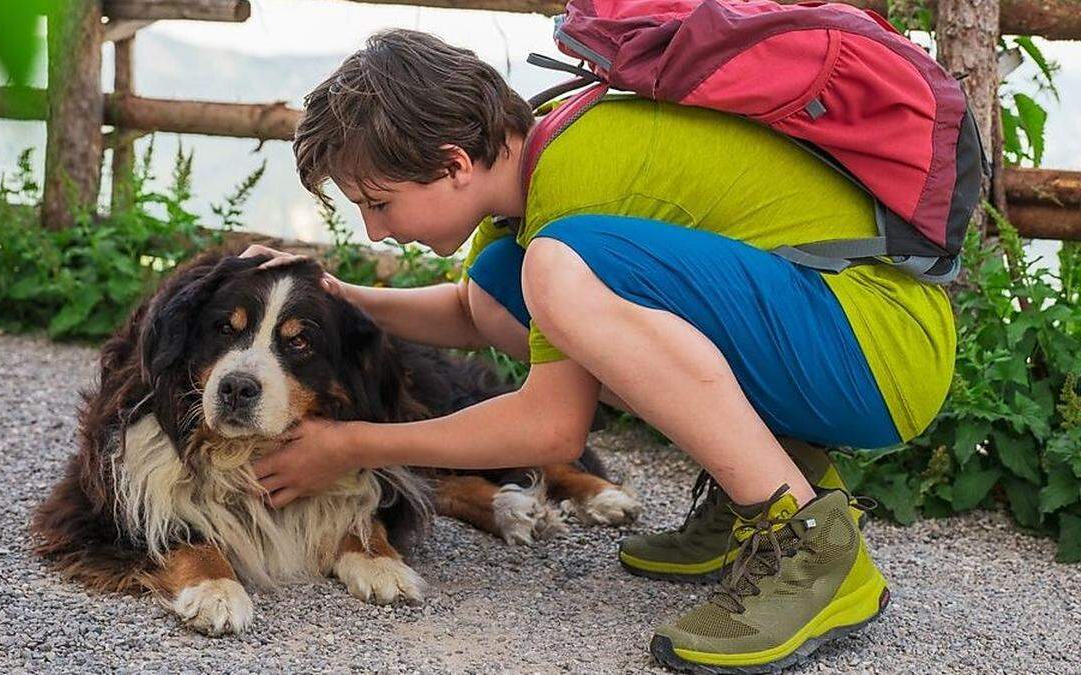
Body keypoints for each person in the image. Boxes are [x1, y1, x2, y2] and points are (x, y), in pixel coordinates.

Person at [244, 28, 954, 672]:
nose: (374, 231)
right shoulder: (544, 166)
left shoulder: (571, 193)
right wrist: (337, 295)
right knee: (498, 283)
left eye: (380, 201)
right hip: (834, 331)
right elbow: (470, 310)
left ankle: (814, 550)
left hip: (880, 347)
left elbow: (552, 428)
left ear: (454, 162)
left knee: (552, 268)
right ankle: (761, 489)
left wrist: (347, 444)